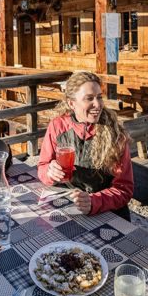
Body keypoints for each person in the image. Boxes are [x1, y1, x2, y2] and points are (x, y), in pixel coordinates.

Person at [38, 71, 134, 218]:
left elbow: (124, 189)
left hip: (106, 211)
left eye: (99, 97)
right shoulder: (58, 125)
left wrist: (94, 202)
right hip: (68, 204)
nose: (97, 104)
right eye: (89, 98)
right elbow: (43, 166)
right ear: (72, 103)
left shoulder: (115, 135)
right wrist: (49, 172)